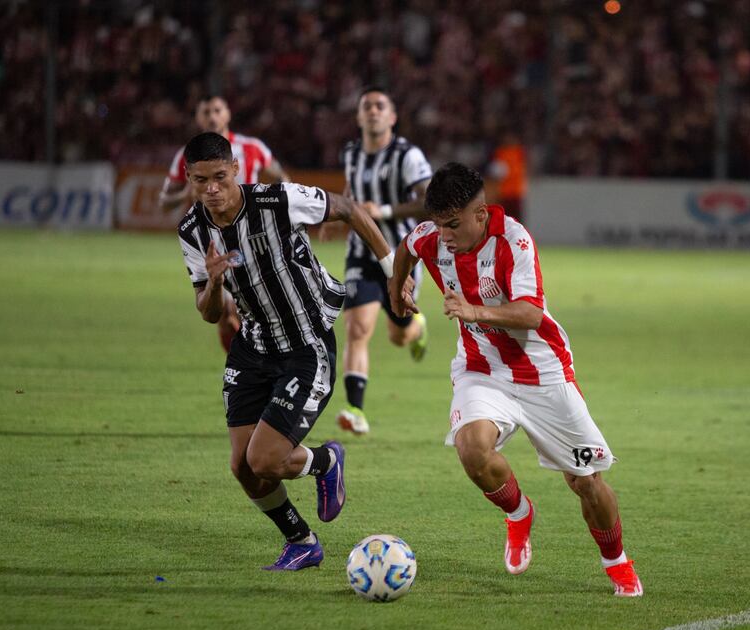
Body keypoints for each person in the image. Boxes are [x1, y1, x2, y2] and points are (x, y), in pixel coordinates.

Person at [388, 162, 643, 596]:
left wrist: (474, 312)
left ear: (481, 214)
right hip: (480, 369)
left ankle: (617, 562)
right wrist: (398, 288)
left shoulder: (514, 241)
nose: (444, 236)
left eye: (453, 224)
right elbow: (406, 247)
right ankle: (519, 513)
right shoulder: (433, 238)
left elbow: (530, 313)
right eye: (438, 225)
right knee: (472, 447)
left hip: (543, 372)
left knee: (585, 482)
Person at [177, 132, 399, 571]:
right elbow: (207, 312)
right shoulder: (192, 230)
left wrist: (393, 273)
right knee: (242, 466)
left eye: (220, 177)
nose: (212, 190)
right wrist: (216, 283)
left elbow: (350, 210)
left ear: (236, 170)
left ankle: (325, 459)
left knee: (266, 459)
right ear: (190, 178)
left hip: (306, 344)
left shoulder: (278, 200)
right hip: (252, 346)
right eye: (201, 181)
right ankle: (302, 542)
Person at [334, 86, 433, 435]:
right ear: (359, 116)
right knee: (357, 328)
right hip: (361, 252)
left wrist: (385, 211)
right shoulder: (350, 153)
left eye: (380, 106)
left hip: (401, 255)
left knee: (398, 335)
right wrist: (342, 214)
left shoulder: (408, 155)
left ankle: (416, 328)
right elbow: (351, 193)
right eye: (367, 106)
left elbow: (429, 201)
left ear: (391, 117)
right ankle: (355, 409)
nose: (373, 111)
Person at [163, 95, 291, 353]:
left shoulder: (253, 148)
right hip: (213, 242)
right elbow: (164, 202)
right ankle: (246, 364)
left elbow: (281, 177)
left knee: (253, 308)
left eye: (217, 110)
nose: (212, 116)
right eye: (206, 111)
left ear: (228, 114)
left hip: (254, 238)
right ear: (198, 118)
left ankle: (258, 360)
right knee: (225, 314)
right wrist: (184, 195)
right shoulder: (187, 155)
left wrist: (279, 205)